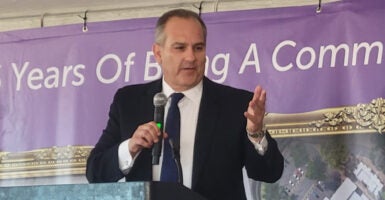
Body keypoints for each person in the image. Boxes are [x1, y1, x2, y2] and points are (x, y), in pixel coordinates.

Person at [86, 8, 284, 200]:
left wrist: (256, 133)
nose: (191, 57)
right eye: (180, 48)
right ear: (158, 53)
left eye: (198, 48)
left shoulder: (235, 104)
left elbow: (269, 173)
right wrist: (130, 147)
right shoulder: (128, 101)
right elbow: (95, 173)